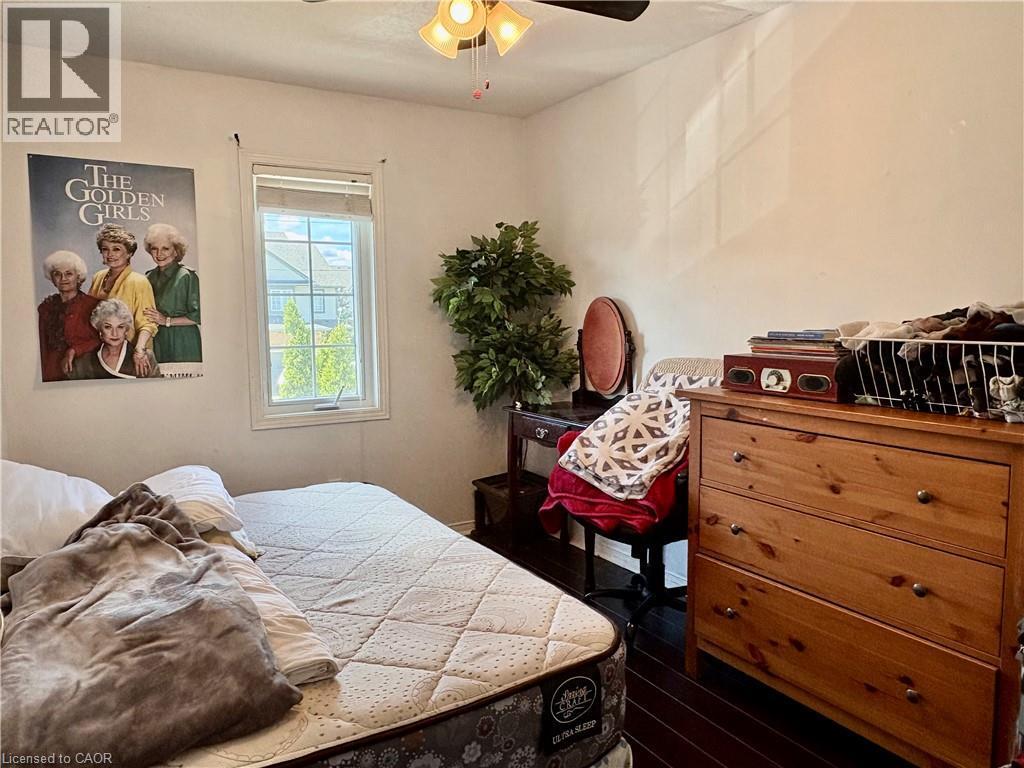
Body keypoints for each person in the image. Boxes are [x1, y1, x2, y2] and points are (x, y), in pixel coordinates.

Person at [88, 223, 158, 376]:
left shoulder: (139, 282)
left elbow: (148, 323)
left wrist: (139, 351)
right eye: (105, 249)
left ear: (129, 253)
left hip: (131, 354)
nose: (110, 254)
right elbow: (90, 316)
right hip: (101, 352)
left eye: (116, 249)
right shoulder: (98, 277)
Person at [142, 223, 202, 363]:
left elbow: (198, 316)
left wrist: (166, 321)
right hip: (157, 340)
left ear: (176, 251)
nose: (159, 254)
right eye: (154, 249)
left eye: (165, 249)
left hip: (183, 341)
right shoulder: (148, 277)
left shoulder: (186, 276)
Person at [37, 250, 101, 381]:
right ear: (52, 278)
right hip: (51, 372)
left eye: (68, 274)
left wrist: (74, 350)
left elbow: (103, 339)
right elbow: (42, 346)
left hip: (84, 369)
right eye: (57, 274)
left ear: (78, 277)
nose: (63, 279)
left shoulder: (94, 305)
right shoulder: (45, 307)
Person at [70, 299, 161, 380]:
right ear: (99, 329)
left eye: (120, 327)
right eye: (108, 327)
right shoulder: (85, 362)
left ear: (126, 330)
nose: (115, 334)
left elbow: (157, 392)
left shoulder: (145, 358)